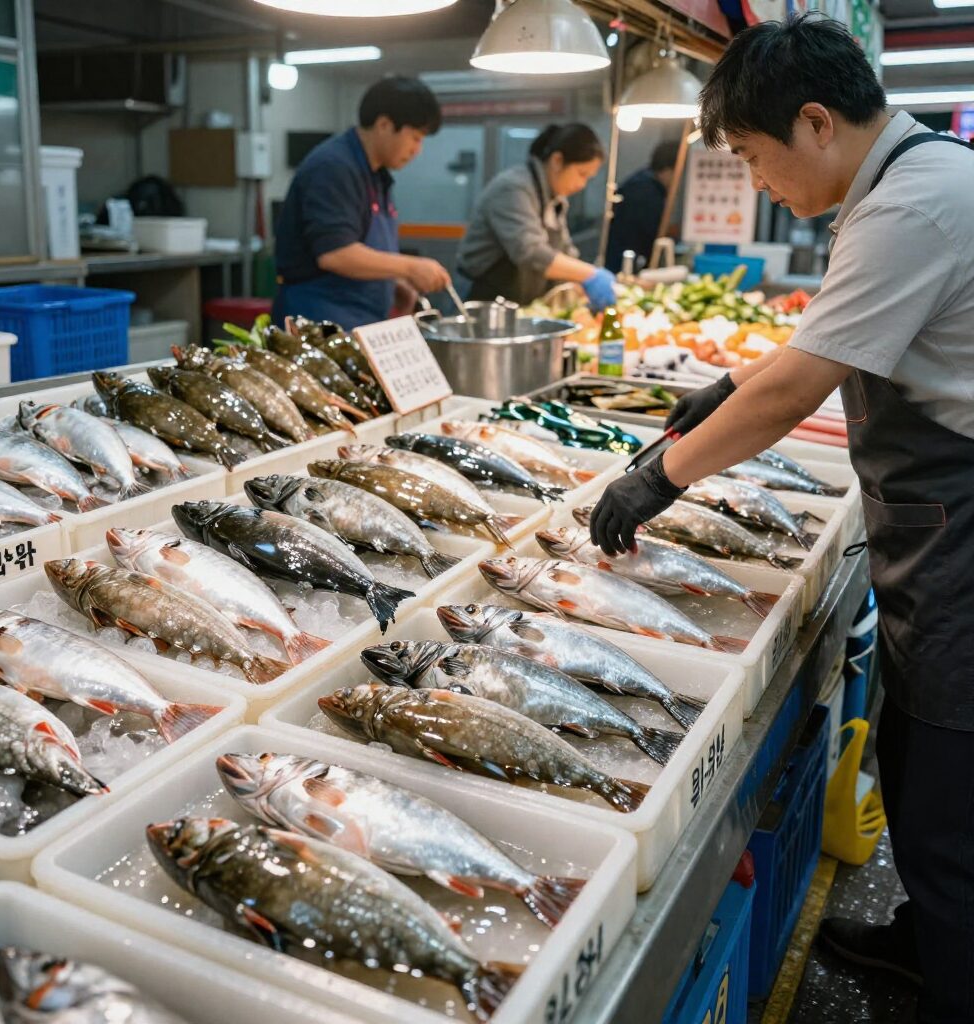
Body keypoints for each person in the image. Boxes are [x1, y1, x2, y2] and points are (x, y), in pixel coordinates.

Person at [587, 15, 974, 1022]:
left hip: (963, 533)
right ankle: (930, 939)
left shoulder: (913, 206)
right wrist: (725, 388)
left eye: (755, 158)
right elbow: (818, 348)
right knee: (919, 749)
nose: (757, 183)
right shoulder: (910, 181)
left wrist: (657, 480)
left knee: (945, 794)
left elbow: (793, 389)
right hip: (934, 521)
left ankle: (954, 972)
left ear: (814, 120)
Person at [273, 76, 452, 330]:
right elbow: (335, 254)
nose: (417, 150)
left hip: (359, 321)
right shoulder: (334, 167)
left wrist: (393, 282)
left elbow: (363, 248)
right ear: (384, 125)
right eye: (415, 137)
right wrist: (410, 267)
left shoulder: (375, 174)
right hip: (319, 323)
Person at [457, 123, 616, 309]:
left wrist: (581, 282)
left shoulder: (555, 200)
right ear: (557, 161)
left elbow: (565, 253)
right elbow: (531, 252)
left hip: (519, 305)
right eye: (582, 174)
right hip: (483, 304)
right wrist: (591, 274)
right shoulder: (513, 188)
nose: (582, 185)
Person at [604, 140, 680, 272]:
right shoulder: (646, 191)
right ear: (669, 170)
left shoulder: (644, 180)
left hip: (624, 258)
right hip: (623, 263)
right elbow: (650, 234)